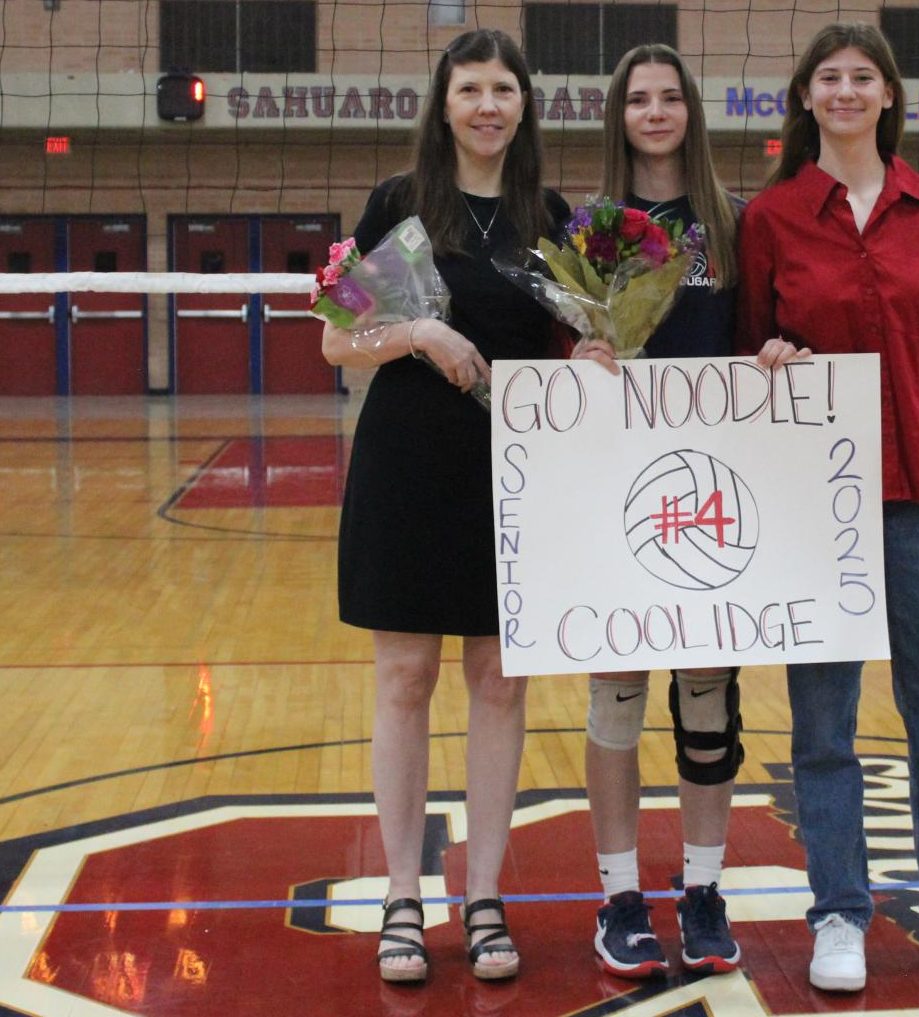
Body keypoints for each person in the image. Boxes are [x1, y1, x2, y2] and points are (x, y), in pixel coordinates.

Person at [733, 23, 919, 993]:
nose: (848, 90)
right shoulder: (772, 216)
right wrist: (768, 359)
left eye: (865, 76)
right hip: (816, 501)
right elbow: (748, 355)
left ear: (890, 95)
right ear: (806, 96)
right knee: (825, 725)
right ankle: (838, 914)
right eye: (831, 77)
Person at [320, 29, 569, 985]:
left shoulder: (544, 214)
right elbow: (338, 343)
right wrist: (418, 328)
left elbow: (565, 340)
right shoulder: (400, 203)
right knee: (404, 679)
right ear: (445, 101)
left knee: (502, 679)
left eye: (504, 89)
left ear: (522, 106)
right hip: (409, 463)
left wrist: (589, 357)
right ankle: (401, 895)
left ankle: (485, 895)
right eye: (470, 89)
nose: (487, 106)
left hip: (515, 471)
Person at [570, 43, 745, 979]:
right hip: (616, 492)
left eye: (669, 96)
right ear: (618, 114)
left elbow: (760, 334)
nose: (654, 111)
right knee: (617, 700)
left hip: (716, 495)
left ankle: (705, 891)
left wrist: (778, 356)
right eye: (636, 97)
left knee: (707, 701)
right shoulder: (591, 228)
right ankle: (619, 896)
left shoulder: (731, 222)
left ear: (690, 111)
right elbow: (560, 347)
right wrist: (574, 358)